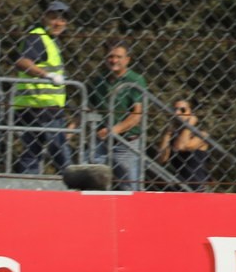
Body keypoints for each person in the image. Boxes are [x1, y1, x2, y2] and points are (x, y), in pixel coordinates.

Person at [12, 0, 71, 175]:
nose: (58, 23)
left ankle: (27, 187)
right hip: (42, 107)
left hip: (33, 105)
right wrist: (46, 75)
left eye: (62, 20)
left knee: (33, 152)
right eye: (53, 18)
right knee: (60, 151)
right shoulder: (38, 37)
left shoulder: (50, 40)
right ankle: (73, 185)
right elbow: (22, 61)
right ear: (45, 18)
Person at [87, 41, 147, 190]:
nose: (114, 60)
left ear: (127, 59)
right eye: (110, 56)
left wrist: (113, 130)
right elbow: (89, 109)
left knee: (128, 186)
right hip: (101, 141)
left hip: (126, 143)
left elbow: (137, 114)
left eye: (119, 57)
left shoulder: (135, 80)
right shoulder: (98, 81)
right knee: (93, 183)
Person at [157, 97, 210, 191]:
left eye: (182, 110)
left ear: (191, 112)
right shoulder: (172, 134)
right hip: (175, 186)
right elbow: (162, 159)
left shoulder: (201, 133)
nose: (177, 113)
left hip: (195, 188)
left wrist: (190, 124)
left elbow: (181, 146)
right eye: (174, 109)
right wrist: (167, 133)